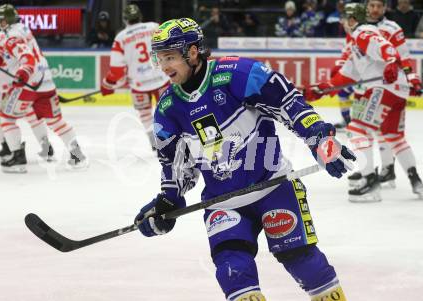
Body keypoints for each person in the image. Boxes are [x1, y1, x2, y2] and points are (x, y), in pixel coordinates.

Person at [134, 17, 355, 301]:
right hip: (222, 203)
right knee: (232, 272)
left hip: (273, 186)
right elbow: (174, 165)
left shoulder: (237, 72)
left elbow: (288, 103)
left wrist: (319, 138)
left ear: (192, 52)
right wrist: (166, 202)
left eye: (170, 57)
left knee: (303, 261)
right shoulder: (167, 108)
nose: (164, 67)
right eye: (160, 59)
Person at [305, 3, 423, 202]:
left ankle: (370, 181)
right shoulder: (356, 41)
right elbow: (345, 76)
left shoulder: (364, 31)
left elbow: (387, 48)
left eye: (345, 18)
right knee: (393, 135)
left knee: (357, 129)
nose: (343, 22)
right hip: (396, 91)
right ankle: (417, 182)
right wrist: (321, 89)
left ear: (351, 19)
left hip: (384, 87)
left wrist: (391, 62)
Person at [0, 4, 87, 172]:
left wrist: (23, 72)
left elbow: (26, 57)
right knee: (55, 121)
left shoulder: (12, 36)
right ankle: (77, 155)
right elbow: (18, 49)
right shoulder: (22, 28)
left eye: (0, 19)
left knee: (6, 117)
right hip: (46, 80)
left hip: (29, 83)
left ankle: (18, 159)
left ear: (6, 21)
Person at [350, 0, 422, 189]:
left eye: (379, 6)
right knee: (372, 131)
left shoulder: (392, 28)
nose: (375, 10)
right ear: (366, 8)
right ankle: (369, 169)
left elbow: (404, 57)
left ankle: (384, 169)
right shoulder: (357, 26)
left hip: (384, 87)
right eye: (371, 6)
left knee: (370, 130)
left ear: (385, 8)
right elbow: (351, 54)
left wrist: (412, 78)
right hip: (362, 88)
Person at [0, 11, 55, 164]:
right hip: (21, 77)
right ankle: (46, 146)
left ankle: (9, 147)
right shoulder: (4, 28)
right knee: (30, 113)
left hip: (1, 82)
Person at [100, 4, 170, 150]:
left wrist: (108, 85)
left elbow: (117, 71)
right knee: (166, 110)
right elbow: (170, 47)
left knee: (145, 113)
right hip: (161, 78)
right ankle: (169, 138)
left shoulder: (120, 37)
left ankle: (153, 142)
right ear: (140, 17)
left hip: (139, 84)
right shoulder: (154, 27)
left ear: (125, 19)